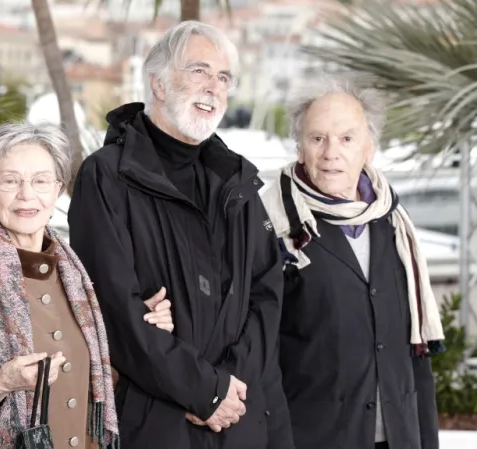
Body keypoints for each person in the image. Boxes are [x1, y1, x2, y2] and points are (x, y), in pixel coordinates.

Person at [67, 21, 294, 449]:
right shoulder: (108, 176)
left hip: (239, 420)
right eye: (198, 71)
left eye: (223, 77)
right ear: (157, 83)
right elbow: (114, 309)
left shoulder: (236, 181)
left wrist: (228, 386)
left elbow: (267, 294)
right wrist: (203, 390)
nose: (213, 87)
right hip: (155, 426)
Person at [0, 122, 174, 449]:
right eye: (10, 180)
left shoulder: (74, 274)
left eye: (41, 181)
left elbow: (100, 368)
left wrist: (143, 321)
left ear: (57, 190)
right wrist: (2, 383)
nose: (26, 194)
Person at [261, 73, 444, 449]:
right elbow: (260, 355)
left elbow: (415, 355)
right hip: (314, 438)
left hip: (399, 436)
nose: (331, 153)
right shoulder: (275, 225)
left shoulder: (394, 223)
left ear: (369, 148)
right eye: (317, 138)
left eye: (347, 138)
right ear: (300, 147)